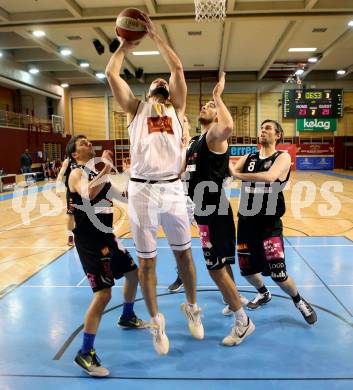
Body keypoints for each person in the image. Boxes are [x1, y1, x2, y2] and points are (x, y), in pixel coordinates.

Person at [106, 14, 204, 355]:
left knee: (184, 256)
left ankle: (192, 306)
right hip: (142, 190)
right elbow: (110, 74)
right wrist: (124, 44)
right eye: (156, 81)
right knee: (147, 262)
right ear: (147, 91)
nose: (162, 81)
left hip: (173, 188)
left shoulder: (177, 108)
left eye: (165, 82)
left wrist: (154, 35)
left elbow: (177, 69)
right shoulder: (135, 109)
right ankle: (156, 321)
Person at [179, 73, 255, 346]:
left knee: (214, 268)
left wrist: (218, 97)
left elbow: (229, 126)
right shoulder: (195, 143)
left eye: (209, 108)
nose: (204, 107)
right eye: (204, 106)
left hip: (214, 211)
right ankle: (232, 299)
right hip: (204, 212)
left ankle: (242, 320)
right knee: (220, 265)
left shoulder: (214, 136)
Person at [67, 135, 145, 377]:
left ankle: (127, 316)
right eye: (82, 144)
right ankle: (85, 352)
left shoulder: (97, 176)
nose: (88, 144)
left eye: (88, 142)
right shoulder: (76, 173)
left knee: (133, 274)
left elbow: (125, 197)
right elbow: (87, 194)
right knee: (103, 294)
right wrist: (108, 169)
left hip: (107, 237)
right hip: (90, 242)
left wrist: (133, 175)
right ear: (74, 154)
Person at [230, 119, 317, 325]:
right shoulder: (249, 157)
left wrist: (237, 174)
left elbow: (270, 177)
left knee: (278, 273)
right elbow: (229, 169)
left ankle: (298, 301)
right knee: (247, 270)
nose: (262, 130)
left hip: (269, 225)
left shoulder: (282, 157)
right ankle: (263, 293)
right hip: (246, 223)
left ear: (278, 135)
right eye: (261, 127)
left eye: (268, 128)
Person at [56, 157, 75, 246]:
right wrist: (57, 188)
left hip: (83, 191)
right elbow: (60, 175)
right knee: (71, 214)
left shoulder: (84, 158)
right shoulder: (68, 161)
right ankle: (70, 237)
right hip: (71, 192)